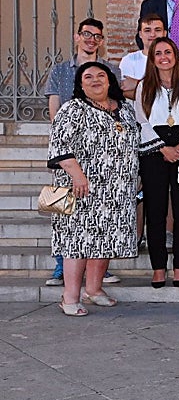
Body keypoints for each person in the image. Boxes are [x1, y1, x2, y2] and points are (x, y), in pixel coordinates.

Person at [47, 62, 139, 315]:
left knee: (105, 240)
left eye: (101, 75)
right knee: (77, 242)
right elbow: (59, 146)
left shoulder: (126, 110)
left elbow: (134, 145)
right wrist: (78, 176)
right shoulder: (72, 109)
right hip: (82, 189)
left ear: (110, 80)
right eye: (88, 76)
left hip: (116, 191)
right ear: (80, 83)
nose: (95, 80)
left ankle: (94, 290)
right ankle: (70, 297)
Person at [42, 19, 124, 288]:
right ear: (78, 37)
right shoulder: (60, 71)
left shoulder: (111, 70)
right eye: (87, 34)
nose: (91, 39)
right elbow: (55, 112)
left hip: (103, 160)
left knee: (100, 216)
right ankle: (60, 267)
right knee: (68, 214)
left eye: (97, 36)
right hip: (70, 156)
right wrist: (67, 149)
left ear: (102, 41)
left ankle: (97, 273)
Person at [135, 38, 179, 288]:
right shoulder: (144, 86)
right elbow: (141, 120)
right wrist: (162, 148)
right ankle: (158, 267)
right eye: (158, 53)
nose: (163, 57)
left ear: (175, 55)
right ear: (152, 58)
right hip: (154, 152)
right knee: (156, 210)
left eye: (168, 52)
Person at [120, 14, 167, 97]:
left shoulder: (174, 60)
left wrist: (137, 83)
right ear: (140, 34)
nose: (152, 34)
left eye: (157, 30)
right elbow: (126, 92)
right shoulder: (129, 60)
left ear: (165, 33)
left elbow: (173, 91)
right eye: (147, 30)